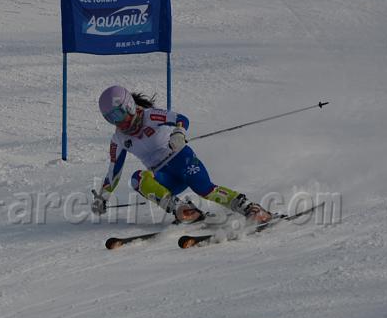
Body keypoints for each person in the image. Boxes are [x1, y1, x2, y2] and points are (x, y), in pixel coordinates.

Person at [91, 85, 271, 224]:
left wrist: (178, 133)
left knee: (204, 188)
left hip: (181, 160)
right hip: (164, 176)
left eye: (118, 114)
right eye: (110, 118)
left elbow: (181, 119)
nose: (118, 122)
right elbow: (114, 172)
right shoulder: (118, 139)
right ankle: (183, 210)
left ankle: (249, 208)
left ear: (129, 106)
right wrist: (103, 196)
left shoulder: (150, 116)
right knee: (137, 179)